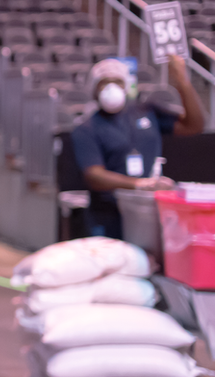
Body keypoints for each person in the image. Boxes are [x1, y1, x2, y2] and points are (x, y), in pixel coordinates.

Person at [71, 55, 206, 239]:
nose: (111, 88)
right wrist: (139, 184)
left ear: (126, 85)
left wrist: (182, 81)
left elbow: (194, 126)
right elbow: (94, 175)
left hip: (147, 208)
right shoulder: (85, 128)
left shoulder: (147, 111)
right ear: (94, 89)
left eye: (117, 81)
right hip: (108, 213)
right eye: (104, 83)